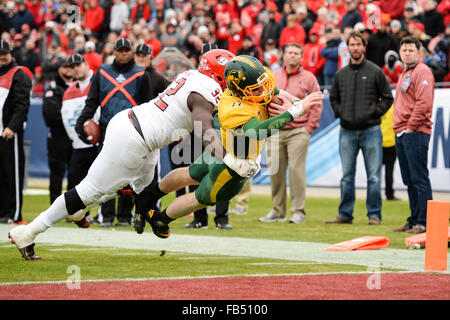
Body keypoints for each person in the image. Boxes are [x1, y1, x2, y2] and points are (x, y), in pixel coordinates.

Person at [7, 49, 258, 260]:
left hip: (135, 127)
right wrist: (230, 159)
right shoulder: (208, 88)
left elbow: (186, 115)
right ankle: (29, 231)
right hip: (135, 138)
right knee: (88, 191)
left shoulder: (193, 76)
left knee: (145, 190)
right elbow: (205, 131)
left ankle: (125, 212)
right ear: (219, 75)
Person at [133, 55, 324, 239]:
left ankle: (151, 195)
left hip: (221, 149)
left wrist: (296, 101)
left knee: (188, 173)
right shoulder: (234, 108)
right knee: (198, 199)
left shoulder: (254, 82)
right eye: (257, 89)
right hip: (232, 166)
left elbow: (275, 91)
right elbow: (258, 131)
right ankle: (160, 219)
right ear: (240, 90)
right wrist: (296, 110)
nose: (264, 91)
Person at [75, 38, 152, 228]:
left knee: (129, 174)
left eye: (127, 50)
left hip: (133, 132)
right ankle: (106, 215)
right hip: (107, 129)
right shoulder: (102, 72)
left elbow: (148, 106)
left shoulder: (142, 74)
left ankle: (125, 216)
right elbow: (92, 101)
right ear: (114, 52)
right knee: (106, 173)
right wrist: (82, 121)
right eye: (121, 50)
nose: (124, 53)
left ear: (131, 52)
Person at [326, 31, 393, 225]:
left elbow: (388, 98)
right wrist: (341, 113)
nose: (355, 48)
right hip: (346, 131)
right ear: (348, 48)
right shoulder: (341, 74)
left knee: (373, 176)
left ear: (364, 47)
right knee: (347, 177)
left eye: (358, 44)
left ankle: (374, 215)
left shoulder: (375, 71)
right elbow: (333, 98)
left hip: (371, 130)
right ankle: (345, 214)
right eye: (352, 44)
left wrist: (373, 112)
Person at [259, 43, 323, 224]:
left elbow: (317, 102)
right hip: (275, 130)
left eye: (296, 53)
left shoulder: (309, 77)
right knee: (275, 171)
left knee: (296, 171)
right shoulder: (273, 76)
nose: (293, 56)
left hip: (298, 130)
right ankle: (277, 211)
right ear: (283, 55)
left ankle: (298, 212)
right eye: (290, 53)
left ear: (301, 57)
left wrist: (309, 127)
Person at [392, 36, 434, 234]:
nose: (407, 53)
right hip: (402, 131)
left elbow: (423, 104)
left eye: (411, 50)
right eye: (404, 50)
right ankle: (414, 219)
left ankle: (425, 222)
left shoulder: (422, 71)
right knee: (409, 179)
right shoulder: (406, 72)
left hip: (415, 132)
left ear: (419, 52)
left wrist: (410, 127)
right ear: (400, 53)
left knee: (419, 178)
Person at [60, 54, 99, 228]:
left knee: (103, 180)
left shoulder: (97, 81)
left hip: (99, 143)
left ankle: (106, 215)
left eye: (78, 65)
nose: (76, 69)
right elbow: (66, 117)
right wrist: (76, 137)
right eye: (73, 66)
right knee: (75, 180)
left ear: (85, 64)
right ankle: (76, 214)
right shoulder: (69, 91)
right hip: (78, 143)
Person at [0, 40, 32, 224]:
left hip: (10, 133)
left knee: (13, 174)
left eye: (5, 53)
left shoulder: (18, 74)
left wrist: (12, 126)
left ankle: (14, 213)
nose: (2, 56)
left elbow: (22, 105)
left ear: (11, 53)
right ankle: (2, 211)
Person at [42, 57, 74, 205]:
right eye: (65, 66)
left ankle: (73, 208)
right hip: (58, 135)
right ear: (59, 69)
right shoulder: (53, 88)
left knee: (76, 173)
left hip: (76, 136)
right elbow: (51, 115)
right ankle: (55, 208)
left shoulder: (80, 86)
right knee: (57, 173)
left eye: (71, 66)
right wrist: (73, 117)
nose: (68, 69)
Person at [380, 105, 399, 201]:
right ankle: (389, 194)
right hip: (391, 143)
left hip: (379, 143)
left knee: (374, 172)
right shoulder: (393, 107)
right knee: (389, 171)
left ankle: (374, 195)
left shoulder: (377, 106)